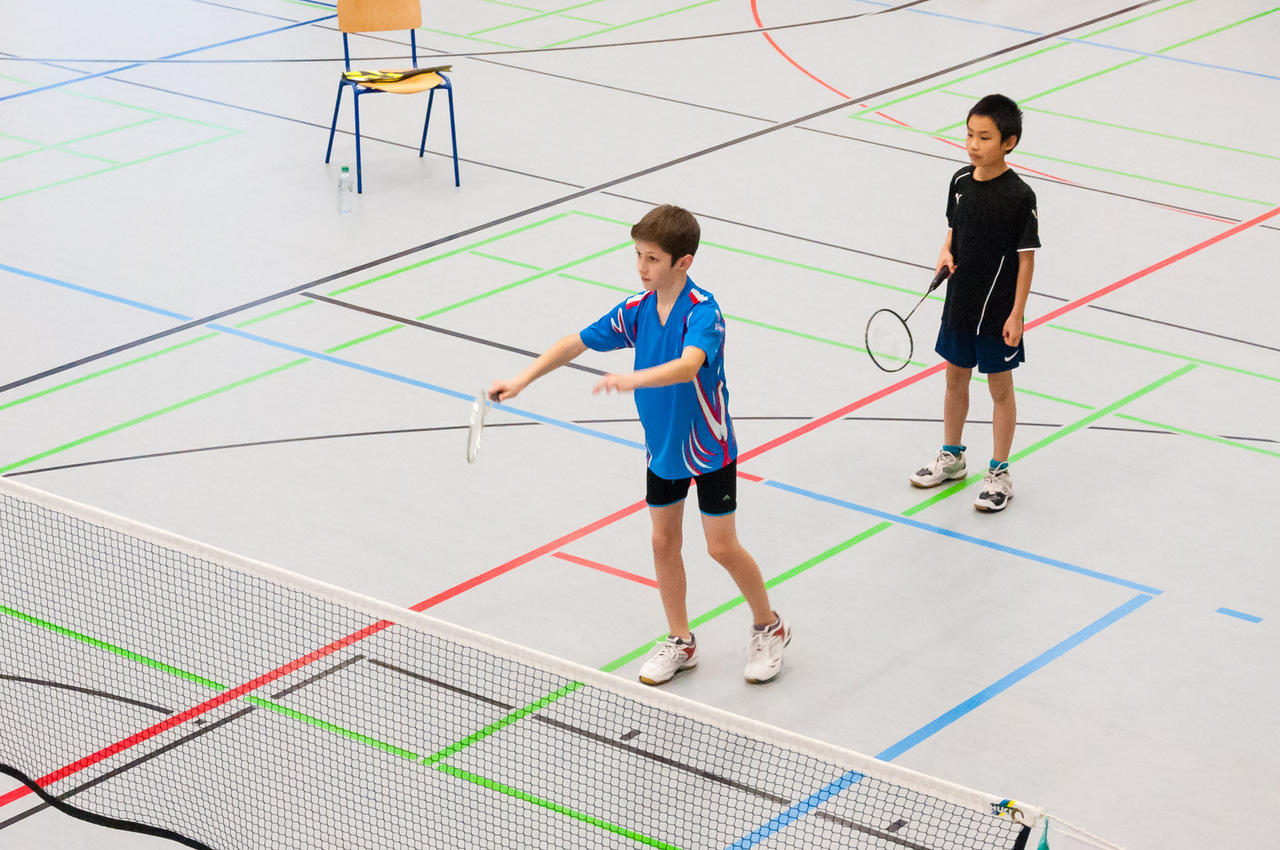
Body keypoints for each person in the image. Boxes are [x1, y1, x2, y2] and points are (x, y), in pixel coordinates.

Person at [489, 204, 790, 685]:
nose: (641, 267)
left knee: (721, 547)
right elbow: (577, 341)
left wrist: (633, 379)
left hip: (708, 447)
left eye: (652, 258)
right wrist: (522, 379)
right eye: (638, 255)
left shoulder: (703, 312)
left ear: (683, 262)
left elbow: (689, 365)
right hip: (662, 447)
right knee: (663, 541)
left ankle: (769, 626)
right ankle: (681, 641)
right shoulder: (638, 309)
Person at [910, 94, 1040, 513]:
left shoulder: (1020, 196)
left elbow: (1026, 259)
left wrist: (1017, 314)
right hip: (960, 302)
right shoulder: (960, 181)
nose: (973, 145)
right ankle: (952, 456)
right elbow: (954, 229)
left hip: (997, 311)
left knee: (1000, 389)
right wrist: (945, 251)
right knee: (954, 379)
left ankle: (1000, 473)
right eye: (969, 134)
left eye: (984, 137)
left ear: (1009, 142)